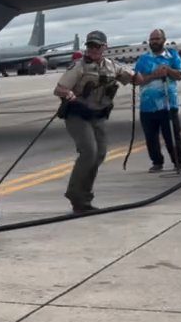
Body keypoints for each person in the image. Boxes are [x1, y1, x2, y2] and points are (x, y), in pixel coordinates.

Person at [53, 30, 142, 214]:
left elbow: (135, 79)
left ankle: (84, 197)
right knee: (89, 152)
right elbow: (59, 89)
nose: (93, 49)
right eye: (90, 46)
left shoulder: (112, 66)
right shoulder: (79, 67)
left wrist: (137, 75)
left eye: (97, 46)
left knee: (100, 154)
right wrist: (68, 93)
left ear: (104, 47)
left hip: (98, 115)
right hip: (77, 115)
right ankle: (77, 196)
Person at [134, 28, 181, 172]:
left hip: (168, 104)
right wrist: (154, 75)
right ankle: (157, 162)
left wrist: (168, 70)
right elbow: (136, 81)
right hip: (148, 106)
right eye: (152, 39)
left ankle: (178, 161)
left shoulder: (172, 56)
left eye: (157, 39)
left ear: (163, 40)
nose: (154, 42)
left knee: (172, 135)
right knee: (151, 137)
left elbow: (180, 75)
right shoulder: (143, 59)